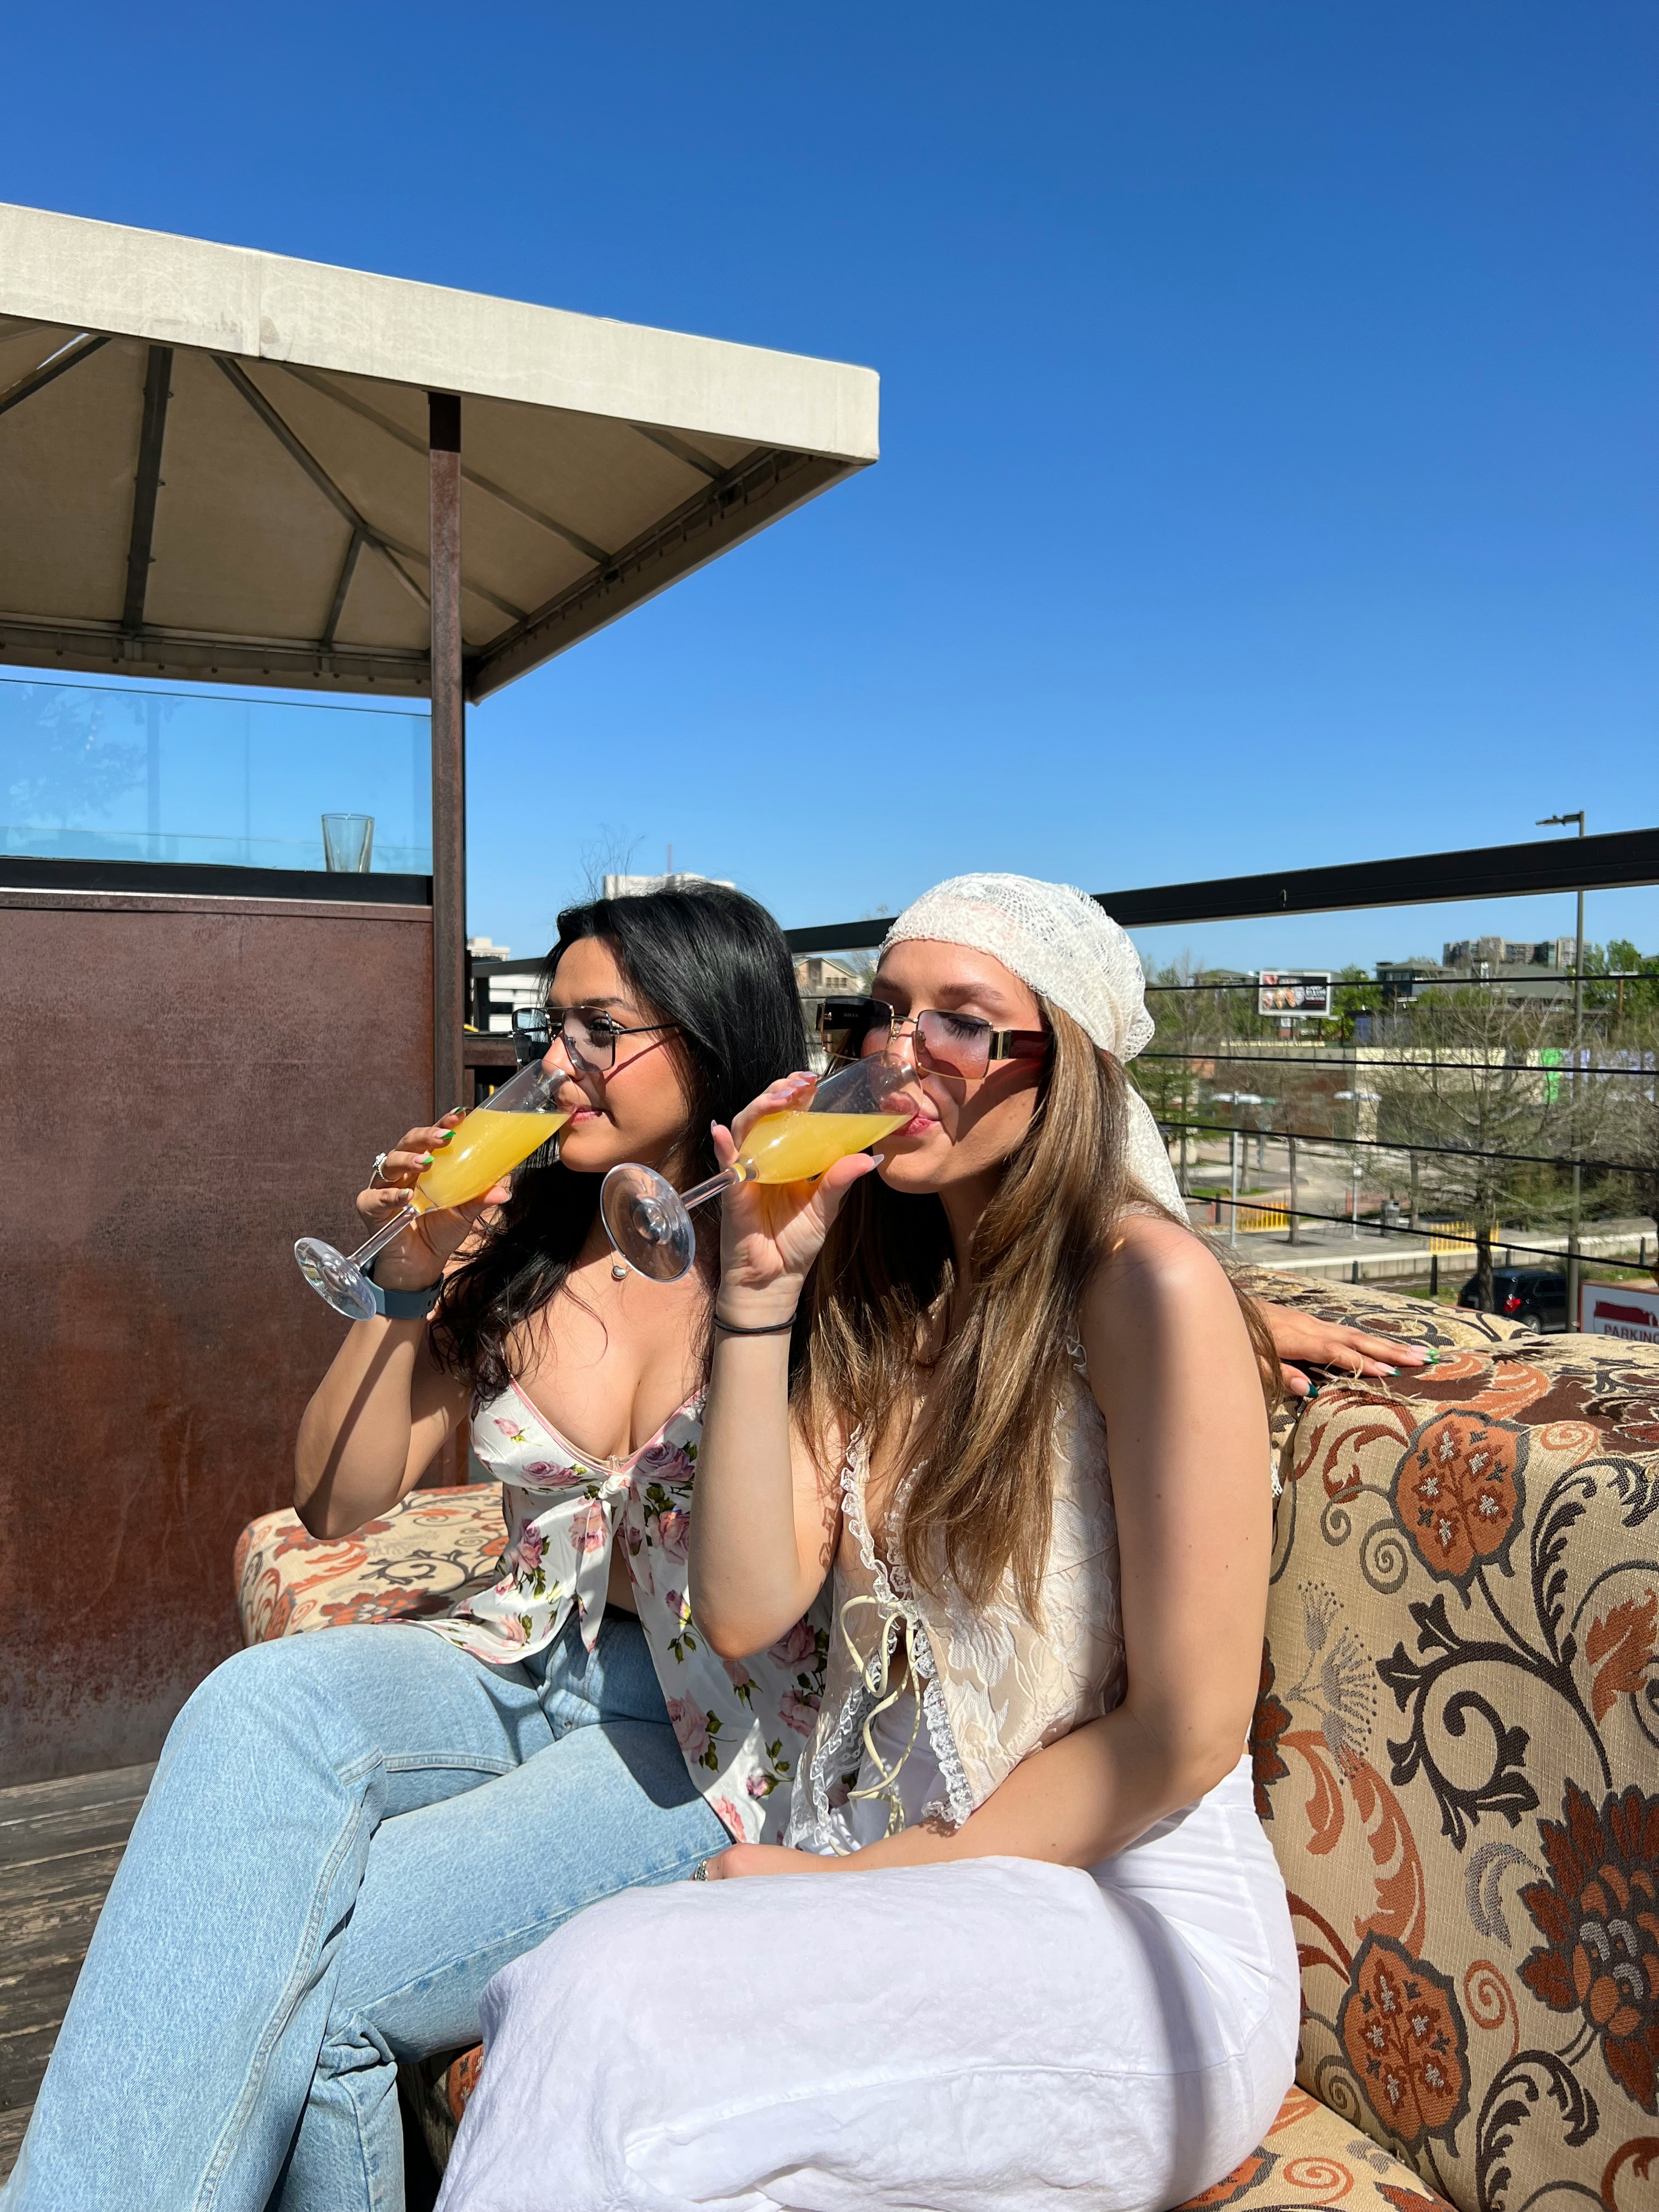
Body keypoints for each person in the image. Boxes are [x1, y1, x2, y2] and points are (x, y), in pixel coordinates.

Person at [435, 875, 1311, 2212]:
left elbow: (1186, 1734)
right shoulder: (878, 1300)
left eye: (962, 1024)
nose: (901, 1057)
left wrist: (853, 1881)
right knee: (633, 2082)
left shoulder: (1146, 1286)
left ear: (1059, 1067)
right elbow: (741, 1610)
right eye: (883, 1016)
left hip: (1130, 1934)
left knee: (599, 1996)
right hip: (914, 1900)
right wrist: (758, 1300)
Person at [4, 885, 831, 2212]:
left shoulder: (805, 1254)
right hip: (524, 1660)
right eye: (548, 1027)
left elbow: (1040, 1260)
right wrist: (408, 1284)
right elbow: (336, 1500)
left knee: (315, 1970)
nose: (554, 1064)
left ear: (712, 1030)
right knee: (254, 1708)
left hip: (705, 1736)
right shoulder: (530, 1248)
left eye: (599, 1030)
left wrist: (1241, 1323)